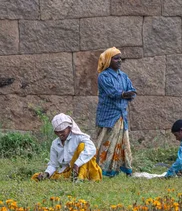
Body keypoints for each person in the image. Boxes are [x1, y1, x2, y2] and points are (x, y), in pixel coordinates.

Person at [95, 47, 136, 177]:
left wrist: (129, 94)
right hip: (108, 116)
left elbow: (132, 90)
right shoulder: (103, 76)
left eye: (120, 58)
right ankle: (101, 170)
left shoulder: (123, 76)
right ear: (108, 60)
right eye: (116, 58)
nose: (119, 61)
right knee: (105, 143)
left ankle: (125, 170)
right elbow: (112, 93)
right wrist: (125, 94)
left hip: (121, 116)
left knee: (123, 143)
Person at [33, 113, 102, 181]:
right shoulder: (55, 144)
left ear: (69, 128)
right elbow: (53, 164)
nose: (60, 134)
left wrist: (77, 164)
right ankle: (72, 178)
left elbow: (92, 149)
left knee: (82, 146)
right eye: (57, 132)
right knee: (36, 176)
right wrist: (46, 173)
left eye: (62, 131)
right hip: (70, 172)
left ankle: (81, 178)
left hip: (85, 169)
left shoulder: (79, 137)